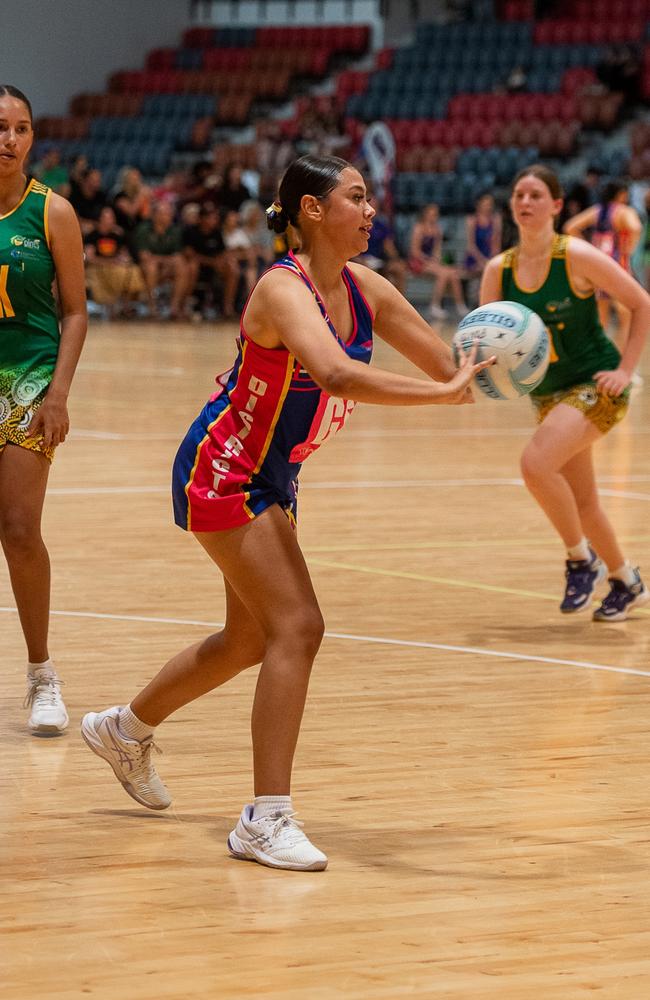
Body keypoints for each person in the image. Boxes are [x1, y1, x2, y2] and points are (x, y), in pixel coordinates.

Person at [80, 154, 494, 872]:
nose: (371, 211)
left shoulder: (366, 287)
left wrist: (510, 354)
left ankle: (125, 728)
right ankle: (264, 819)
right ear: (310, 209)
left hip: (274, 475)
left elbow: (447, 359)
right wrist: (444, 394)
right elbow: (336, 372)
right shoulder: (282, 289)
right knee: (300, 626)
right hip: (225, 466)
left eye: (370, 200)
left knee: (250, 640)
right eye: (356, 198)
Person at [480, 164, 650, 621]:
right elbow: (482, 343)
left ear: (556, 205)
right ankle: (626, 579)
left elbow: (641, 303)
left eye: (536, 194)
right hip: (548, 396)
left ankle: (581, 559)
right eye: (519, 194)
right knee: (584, 502)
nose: (525, 202)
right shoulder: (500, 270)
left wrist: (625, 369)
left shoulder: (575, 255)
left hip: (597, 385)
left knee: (534, 464)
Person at [0, 85, 87, 733]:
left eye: (20, 128)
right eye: (0, 128)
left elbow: (77, 311)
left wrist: (58, 392)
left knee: (20, 529)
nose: (8, 140)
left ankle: (41, 675)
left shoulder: (52, 212)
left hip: (28, 377)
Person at [564, 181, 643, 382]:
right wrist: (629, 248)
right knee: (627, 317)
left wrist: (589, 248)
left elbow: (570, 227)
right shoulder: (623, 211)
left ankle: (597, 366)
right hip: (618, 268)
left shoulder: (598, 211)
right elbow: (635, 227)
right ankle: (624, 368)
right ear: (622, 194)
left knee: (600, 320)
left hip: (598, 269)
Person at [409, 204, 469, 319]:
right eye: (431, 214)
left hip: (430, 262)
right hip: (417, 262)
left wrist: (436, 261)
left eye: (436, 214)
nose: (434, 216)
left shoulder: (437, 229)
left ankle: (460, 305)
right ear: (425, 214)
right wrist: (429, 261)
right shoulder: (419, 228)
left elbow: (437, 251)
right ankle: (434, 305)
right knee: (443, 273)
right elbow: (415, 252)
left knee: (453, 273)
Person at [84, 206, 145, 317]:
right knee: (118, 272)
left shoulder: (118, 235)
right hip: (98, 268)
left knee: (133, 270)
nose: (111, 220)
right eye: (107, 217)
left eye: (112, 217)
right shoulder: (92, 236)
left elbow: (124, 253)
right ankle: (112, 306)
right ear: (100, 219)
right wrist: (111, 262)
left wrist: (124, 259)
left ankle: (124, 306)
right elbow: (90, 258)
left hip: (116, 267)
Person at [133, 201, 190, 320]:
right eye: (165, 213)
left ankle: (174, 307)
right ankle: (152, 307)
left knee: (183, 266)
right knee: (151, 267)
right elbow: (144, 256)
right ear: (155, 215)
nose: (169, 216)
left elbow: (178, 256)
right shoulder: (144, 229)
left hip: (167, 267)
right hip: (145, 269)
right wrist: (166, 261)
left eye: (170, 213)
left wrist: (162, 261)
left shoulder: (174, 231)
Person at [182, 202, 239, 320]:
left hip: (213, 267)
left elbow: (223, 253)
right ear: (202, 218)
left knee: (233, 268)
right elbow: (190, 255)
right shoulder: (190, 232)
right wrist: (213, 262)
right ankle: (184, 305)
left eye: (215, 217)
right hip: (196, 267)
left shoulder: (217, 233)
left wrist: (221, 261)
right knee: (192, 266)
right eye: (212, 217)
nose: (215, 219)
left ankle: (227, 307)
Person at [463, 193, 502, 304]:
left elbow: (496, 243)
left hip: (489, 256)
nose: (488, 206)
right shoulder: (471, 220)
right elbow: (471, 246)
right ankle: (479, 301)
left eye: (490, 204)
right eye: (485, 204)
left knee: (495, 269)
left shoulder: (495, 219)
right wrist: (482, 260)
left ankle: (493, 302)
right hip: (474, 257)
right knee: (483, 269)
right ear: (478, 204)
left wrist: (492, 260)